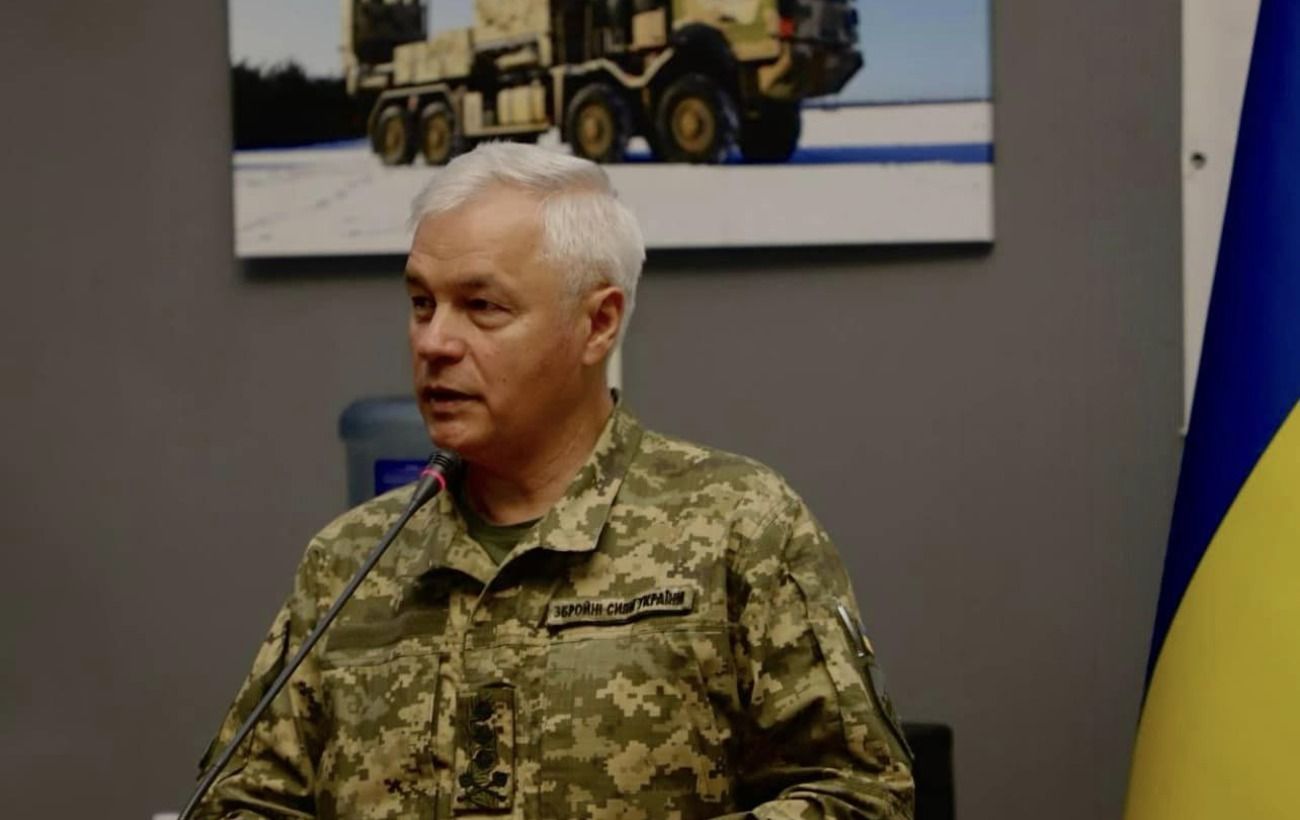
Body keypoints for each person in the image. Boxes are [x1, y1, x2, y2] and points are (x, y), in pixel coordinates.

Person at [196, 142, 914, 819]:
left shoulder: (738, 525)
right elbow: (237, 803)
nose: (434, 342)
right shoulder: (349, 561)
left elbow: (863, 797)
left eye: (482, 306)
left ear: (598, 324)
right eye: (421, 303)